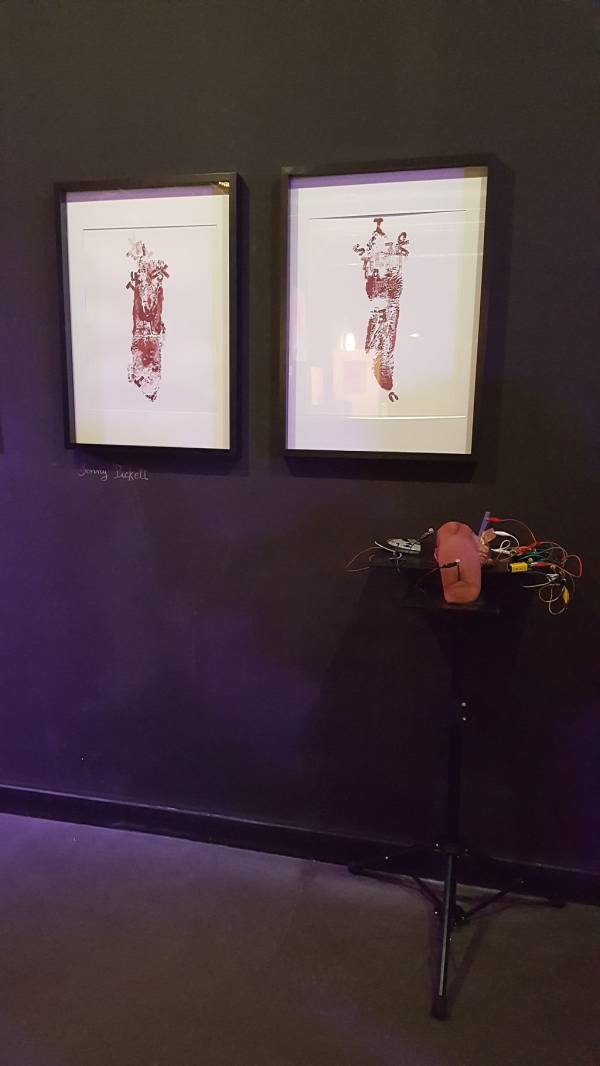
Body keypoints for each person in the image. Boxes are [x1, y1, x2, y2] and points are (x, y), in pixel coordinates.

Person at [435, 522, 496, 604]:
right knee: (468, 591)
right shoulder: (473, 542)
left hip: (448, 534)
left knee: (461, 591)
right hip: (461, 536)